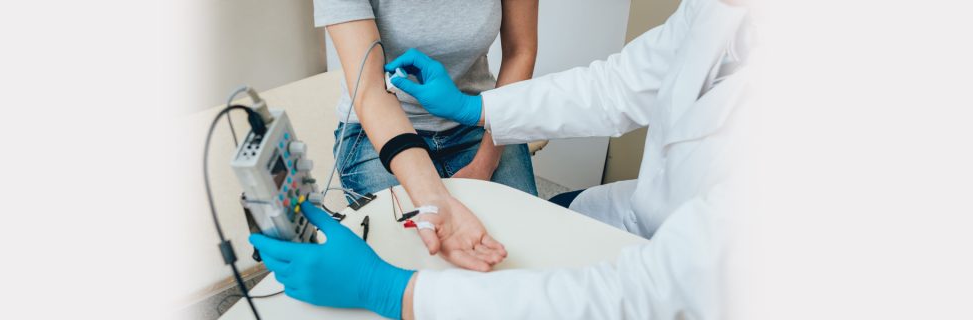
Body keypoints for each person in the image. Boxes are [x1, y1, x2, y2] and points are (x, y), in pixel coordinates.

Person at [251, 0, 754, 318]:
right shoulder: (724, 11)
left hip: (704, 280)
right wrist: (479, 111)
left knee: (503, 259)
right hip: (387, 132)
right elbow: (619, 85)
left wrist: (393, 292)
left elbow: (644, 295)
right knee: (402, 248)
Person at [315, 0, 540, 273]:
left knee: (523, 254)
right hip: (378, 126)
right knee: (412, 263)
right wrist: (434, 198)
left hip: (476, 116)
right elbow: (370, 89)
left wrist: (486, 162)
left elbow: (521, 50)